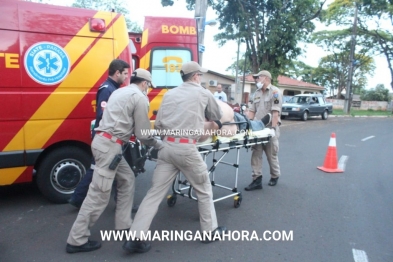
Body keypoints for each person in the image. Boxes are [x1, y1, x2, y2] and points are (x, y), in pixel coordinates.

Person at [123, 61, 226, 254]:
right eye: (200, 75)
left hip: (166, 147)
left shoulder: (169, 94)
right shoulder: (203, 93)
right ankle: (209, 231)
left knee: (154, 194)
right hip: (187, 149)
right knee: (203, 190)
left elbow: (160, 124)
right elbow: (216, 115)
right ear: (195, 76)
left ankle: (135, 238)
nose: (201, 78)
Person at [66, 69, 162, 253]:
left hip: (106, 144)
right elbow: (143, 134)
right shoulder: (140, 97)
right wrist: (158, 144)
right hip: (110, 147)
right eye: (149, 86)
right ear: (144, 83)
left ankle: (124, 225)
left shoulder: (119, 91)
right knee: (98, 195)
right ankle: (76, 240)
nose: (148, 90)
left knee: (127, 179)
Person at [68, 59, 130, 209]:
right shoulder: (108, 89)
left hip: (107, 136)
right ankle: (78, 198)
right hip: (107, 137)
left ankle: (120, 202)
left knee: (107, 169)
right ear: (117, 73)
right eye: (125, 73)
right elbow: (104, 115)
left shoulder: (111, 88)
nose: (127, 77)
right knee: (99, 169)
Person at [245, 70, 283, 191]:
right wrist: (248, 125)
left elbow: (275, 112)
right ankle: (257, 179)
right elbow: (252, 111)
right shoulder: (256, 93)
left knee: (271, 154)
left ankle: (275, 175)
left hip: (269, 128)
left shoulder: (275, 92)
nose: (256, 80)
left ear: (266, 78)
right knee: (256, 153)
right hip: (257, 128)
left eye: (258, 77)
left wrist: (273, 128)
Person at [199, 99, 272, 142]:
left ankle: (257, 124)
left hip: (231, 119)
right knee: (244, 123)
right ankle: (259, 124)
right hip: (234, 123)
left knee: (241, 120)